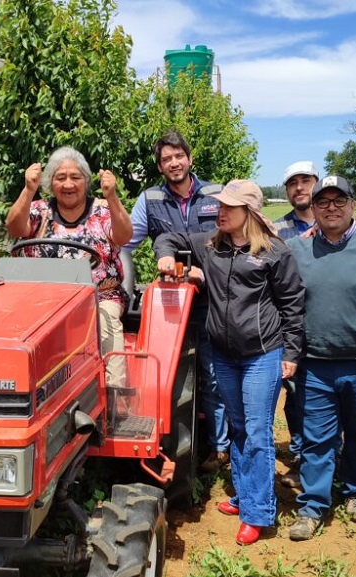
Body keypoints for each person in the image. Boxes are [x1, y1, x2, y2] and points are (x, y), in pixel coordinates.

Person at [155, 180, 304, 545]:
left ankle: (259, 513)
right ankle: (245, 495)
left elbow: (293, 305)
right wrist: (166, 257)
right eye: (220, 205)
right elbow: (170, 237)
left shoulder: (274, 253)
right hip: (224, 353)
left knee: (256, 433)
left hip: (262, 354)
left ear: (249, 212)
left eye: (229, 207)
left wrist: (291, 353)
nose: (220, 211)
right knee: (237, 428)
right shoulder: (211, 245)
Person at [285, 176, 356, 540]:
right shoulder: (298, 249)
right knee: (317, 438)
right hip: (315, 362)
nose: (331, 207)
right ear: (312, 209)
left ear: (353, 204)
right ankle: (313, 505)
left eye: (338, 200)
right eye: (322, 202)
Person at [125, 130, 230, 473]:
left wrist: (206, 271)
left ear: (189, 158)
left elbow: (232, 240)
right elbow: (127, 242)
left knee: (213, 374)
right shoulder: (150, 198)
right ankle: (167, 441)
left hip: (212, 298)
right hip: (170, 305)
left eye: (178, 156)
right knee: (165, 375)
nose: (174, 163)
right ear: (160, 166)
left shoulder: (217, 194)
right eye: (166, 159)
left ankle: (219, 448)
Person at [6, 147, 132, 389]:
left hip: (99, 296)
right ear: (50, 182)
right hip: (45, 298)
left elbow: (124, 236)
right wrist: (28, 190)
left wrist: (113, 196)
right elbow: (14, 228)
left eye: (75, 177)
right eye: (60, 177)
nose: (68, 184)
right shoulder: (40, 210)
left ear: (86, 180)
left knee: (106, 322)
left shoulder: (103, 209)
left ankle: (116, 395)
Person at [273, 160, 320, 489]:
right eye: (293, 183)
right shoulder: (277, 230)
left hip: (326, 323)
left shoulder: (337, 222)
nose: (299, 187)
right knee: (296, 395)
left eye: (305, 181)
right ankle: (303, 455)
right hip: (290, 324)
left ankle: (330, 456)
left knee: (326, 396)